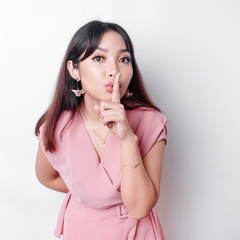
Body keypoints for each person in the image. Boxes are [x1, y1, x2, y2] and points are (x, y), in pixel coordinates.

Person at [34, 20, 168, 240]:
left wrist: (127, 138)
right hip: (81, 229)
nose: (115, 71)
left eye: (124, 59)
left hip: (134, 232)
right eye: (99, 58)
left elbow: (140, 208)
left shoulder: (150, 122)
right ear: (74, 70)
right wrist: (89, 196)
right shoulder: (57, 125)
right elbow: (46, 177)